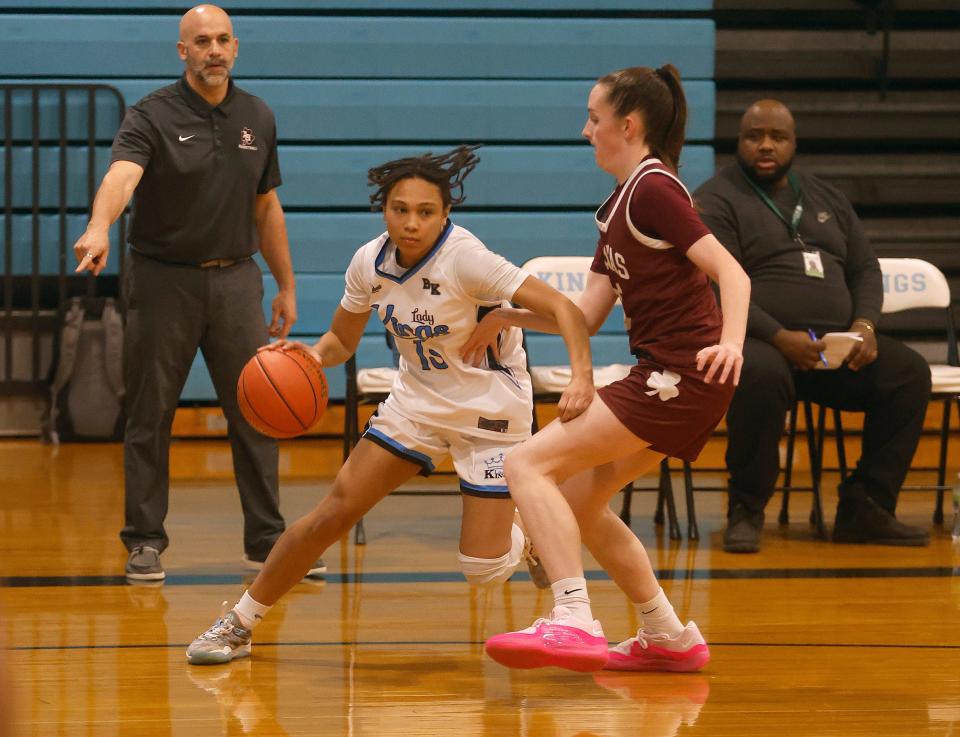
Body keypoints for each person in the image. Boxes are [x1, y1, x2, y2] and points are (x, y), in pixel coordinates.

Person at [185, 145, 595, 665]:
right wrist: (308, 356)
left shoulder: (468, 259)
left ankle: (526, 535)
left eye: (425, 212)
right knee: (334, 511)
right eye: (400, 209)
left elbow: (566, 308)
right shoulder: (369, 262)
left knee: (482, 569)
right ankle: (240, 622)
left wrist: (576, 372)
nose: (411, 222)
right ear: (385, 209)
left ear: (445, 214)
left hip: (490, 412)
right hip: (416, 402)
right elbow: (341, 340)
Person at [478, 65, 751, 673]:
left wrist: (732, 341)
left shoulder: (656, 189)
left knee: (526, 462)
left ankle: (572, 617)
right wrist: (507, 316)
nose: (585, 130)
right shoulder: (620, 206)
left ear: (627, 126)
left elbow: (733, 272)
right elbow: (585, 316)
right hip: (677, 381)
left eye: (594, 119)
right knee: (578, 502)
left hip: (678, 378)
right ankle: (668, 635)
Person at [72, 4, 324, 581]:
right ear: (182, 51)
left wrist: (284, 285)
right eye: (201, 41)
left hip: (237, 279)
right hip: (164, 279)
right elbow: (122, 176)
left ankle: (267, 541)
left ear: (235, 47)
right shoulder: (152, 114)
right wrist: (99, 226)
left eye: (223, 40)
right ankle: (144, 541)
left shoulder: (257, 116)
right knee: (150, 411)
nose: (214, 50)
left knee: (258, 411)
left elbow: (267, 206)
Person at [694, 99, 931, 553]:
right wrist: (780, 337)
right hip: (761, 339)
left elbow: (865, 269)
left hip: (834, 347)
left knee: (909, 374)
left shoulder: (827, 198)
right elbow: (716, 284)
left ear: (793, 143)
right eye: (754, 136)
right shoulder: (716, 199)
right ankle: (746, 509)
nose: (766, 145)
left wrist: (864, 327)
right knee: (759, 374)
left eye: (777, 137)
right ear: (738, 142)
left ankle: (865, 505)